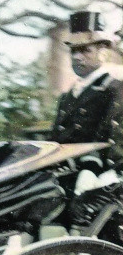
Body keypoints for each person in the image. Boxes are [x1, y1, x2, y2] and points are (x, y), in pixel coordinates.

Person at [50, 10, 123, 168]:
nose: (77, 57)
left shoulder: (114, 88)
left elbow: (114, 138)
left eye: (85, 50)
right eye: (74, 50)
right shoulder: (68, 95)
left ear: (101, 51)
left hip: (95, 173)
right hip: (61, 171)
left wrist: (92, 170)